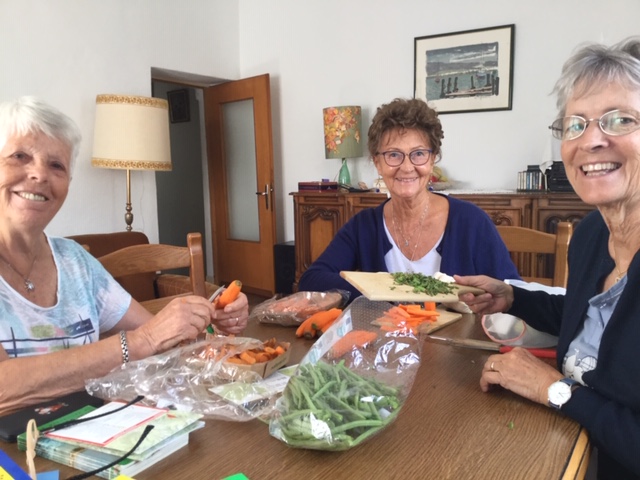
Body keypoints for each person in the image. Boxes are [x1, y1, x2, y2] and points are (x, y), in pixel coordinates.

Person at [456, 37, 640, 479]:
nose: (591, 141)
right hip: (563, 441)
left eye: (619, 120)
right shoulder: (592, 233)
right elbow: (587, 319)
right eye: (575, 124)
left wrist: (555, 391)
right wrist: (511, 296)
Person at [0, 96, 249, 416]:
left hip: (94, 434)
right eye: (20, 156)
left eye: (56, 165)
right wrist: (141, 340)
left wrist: (213, 318)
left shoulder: (75, 262)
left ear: (67, 184)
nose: (39, 175)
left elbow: (160, 338)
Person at [298, 97, 520, 299]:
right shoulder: (363, 226)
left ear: (433, 160)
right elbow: (312, 280)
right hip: (386, 342)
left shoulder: (472, 222)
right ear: (377, 163)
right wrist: (382, 289)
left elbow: (512, 293)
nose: (406, 167)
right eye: (393, 154)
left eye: (419, 154)